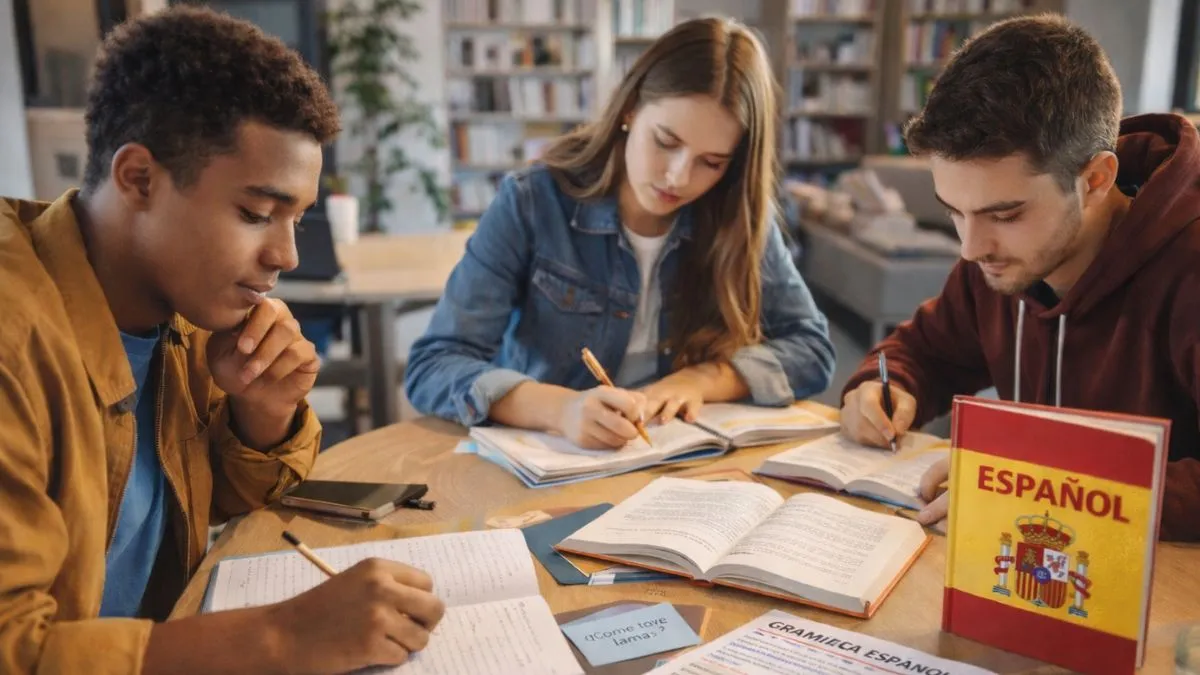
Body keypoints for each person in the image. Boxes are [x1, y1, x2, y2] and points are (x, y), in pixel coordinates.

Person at [0, 8, 444, 675]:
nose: (288, 255)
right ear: (138, 179)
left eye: (296, 217)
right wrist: (282, 637)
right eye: (257, 214)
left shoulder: (181, 305)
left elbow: (228, 505)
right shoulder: (14, 339)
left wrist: (261, 413)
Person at [838, 14, 1200, 542]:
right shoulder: (1000, 259)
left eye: (1005, 215)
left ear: (1097, 179)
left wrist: (1037, 485)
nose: (971, 247)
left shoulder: (1188, 265)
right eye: (955, 212)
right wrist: (880, 387)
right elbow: (926, 351)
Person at [404, 17, 836, 448]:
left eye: (712, 162)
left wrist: (703, 380)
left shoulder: (735, 215)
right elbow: (434, 364)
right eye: (666, 141)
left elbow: (812, 350)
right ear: (630, 109)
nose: (678, 177)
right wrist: (558, 410)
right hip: (554, 464)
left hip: (681, 464)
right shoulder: (532, 202)